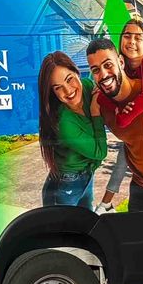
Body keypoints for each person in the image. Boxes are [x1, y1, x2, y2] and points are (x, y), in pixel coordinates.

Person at [87, 37, 143, 211]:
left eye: (108, 65)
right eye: (96, 70)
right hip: (138, 189)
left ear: (121, 62)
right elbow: (127, 144)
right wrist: (95, 109)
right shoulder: (105, 109)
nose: (104, 74)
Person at [36, 52, 111, 208]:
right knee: (64, 228)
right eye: (58, 88)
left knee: (85, 223)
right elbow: (100, 152)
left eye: (69, 79)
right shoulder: (64, 123)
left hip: (86, 175)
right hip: (68, 182)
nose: (68, 90)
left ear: (77, 71)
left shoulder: (88, 87)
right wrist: (95, 112)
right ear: (53, 92)